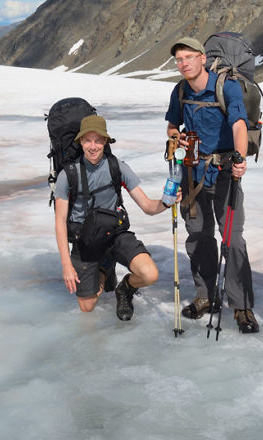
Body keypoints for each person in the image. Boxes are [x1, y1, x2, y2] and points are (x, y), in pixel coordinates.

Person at [164, 37, 258, 333]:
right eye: (179, 59)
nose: (184, 64)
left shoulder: (225, 87)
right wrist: (174, 136)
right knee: (198, 236)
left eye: (189, 57)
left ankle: (241, 306)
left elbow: (239, 123)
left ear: (202, 58)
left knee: (232, 238)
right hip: (192, 173)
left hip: (225, 171)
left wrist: (240, 158)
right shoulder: (179, 91)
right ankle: (206, 296)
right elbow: (171, 125)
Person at [54, 114, 173, 320]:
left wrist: (166, 202)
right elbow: (59, 222)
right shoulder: (68, 175)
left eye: (98, 140)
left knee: (149, 274)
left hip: (115, 234)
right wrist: (66, 264)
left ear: (106, 142)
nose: (93, 146)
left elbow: (147, 206)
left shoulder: (117, 167)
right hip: (86, 241)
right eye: (88, 140)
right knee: (87, 306)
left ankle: (125, 288)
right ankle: (104, 269)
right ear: (80, 141)